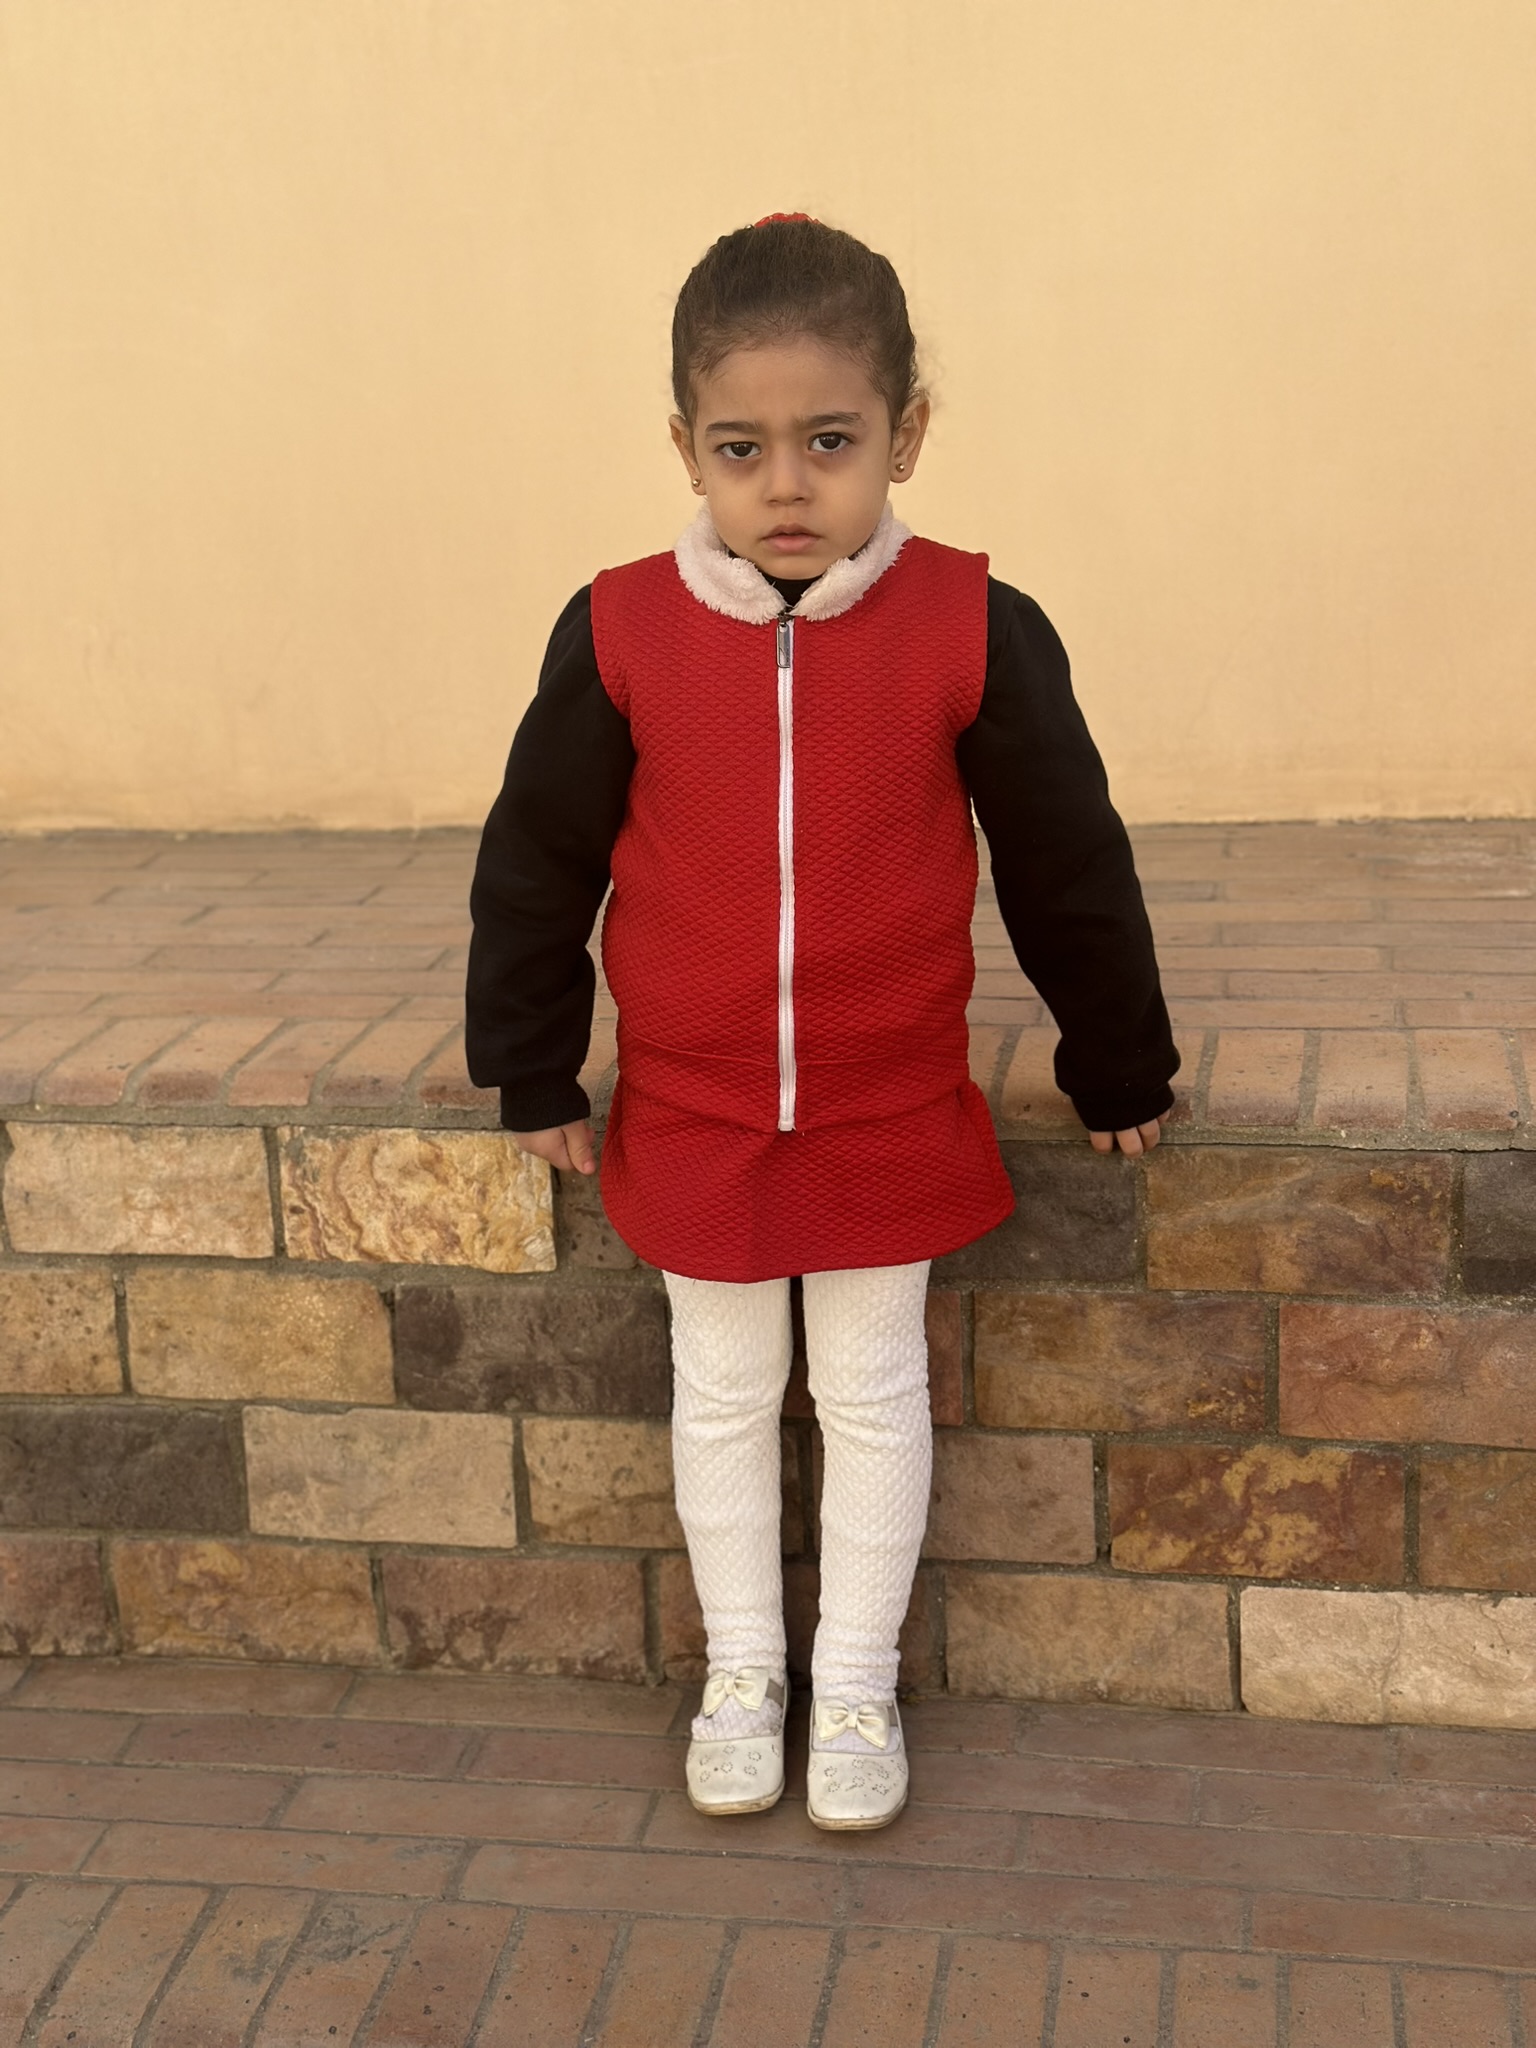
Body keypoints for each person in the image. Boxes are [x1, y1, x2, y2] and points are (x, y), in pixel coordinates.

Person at [465, 213, 1179, 1833]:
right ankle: (745, 1672)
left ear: (905, 434)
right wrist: (530, 1062)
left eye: (831, 442)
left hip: (885, 1104)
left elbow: (1067, 859)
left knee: (870, 1392)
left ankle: (854, 1681)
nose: (787, 485)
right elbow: (538, 859)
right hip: (699, 1108)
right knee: (720, 1393)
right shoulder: (622, 628)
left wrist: (1117, 1057)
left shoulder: (974, 625)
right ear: (686, 449)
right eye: (743, 448)